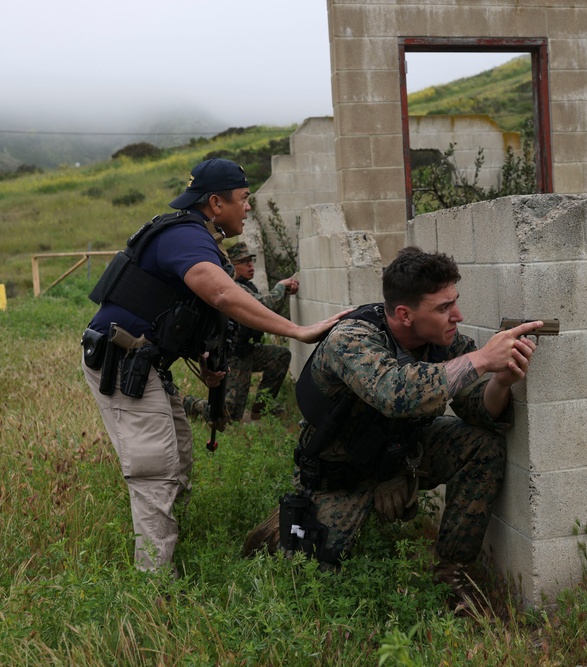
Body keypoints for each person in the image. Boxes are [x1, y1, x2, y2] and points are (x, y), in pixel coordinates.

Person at [80, 158, 344, 575]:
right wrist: (297, 330)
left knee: (179, 452)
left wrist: (203, 362)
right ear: (215, 203)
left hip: (144, 361)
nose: (248, 208)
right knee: (156, 468)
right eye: (243, 199)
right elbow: (221, 295)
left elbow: (183, 313)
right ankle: (152, 585)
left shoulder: (194, 235)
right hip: (121, 362)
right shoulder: (184, 237)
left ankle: (165, 537)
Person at [243, 246, 542, 614]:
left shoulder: (442, 343)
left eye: (455, 303)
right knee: (308, 584)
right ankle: (278, 529)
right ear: (404, 314)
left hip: (400, 454)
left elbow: (477, 407)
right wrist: (481, 359)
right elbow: (395, 393)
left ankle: (451, 572)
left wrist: (501, 381)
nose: (457, 316)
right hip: (343, 475)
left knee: (482, 445)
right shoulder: (351, 339)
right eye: (443, 308)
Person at [183, 242, 296, 423]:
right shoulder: (235, 287)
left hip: (248, 350)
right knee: (230, 414)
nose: (250, 266)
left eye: (251, 261)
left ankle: (263, 407)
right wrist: (282, 286)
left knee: (280, 356)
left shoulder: (248, 287)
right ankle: (190, 404)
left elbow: (265, 314)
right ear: (233, 266)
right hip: (233, 356)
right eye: (244, 262)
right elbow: (265, 305)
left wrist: (284, 292)